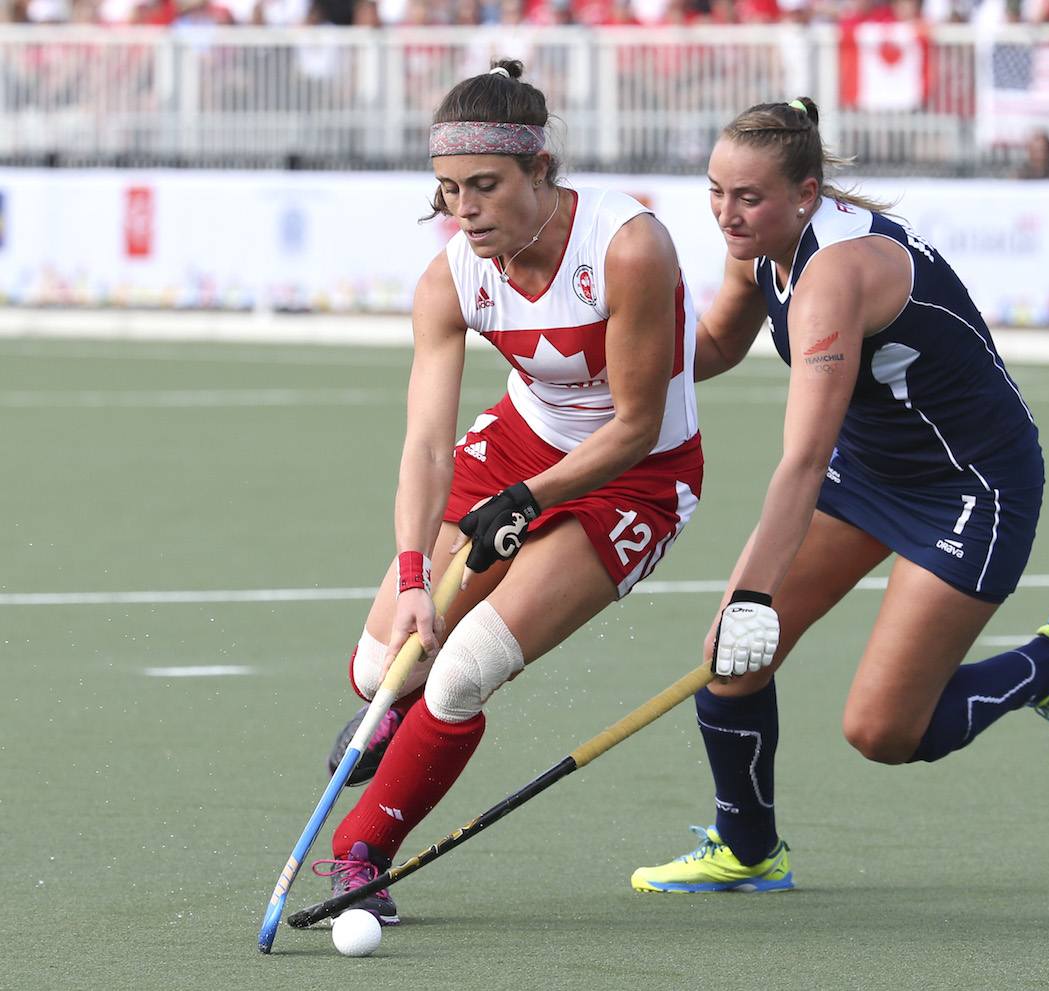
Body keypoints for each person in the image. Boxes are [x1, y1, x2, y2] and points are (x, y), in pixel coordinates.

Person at [629, 98, 1049, 893]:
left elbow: (803, 458)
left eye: (748, 197)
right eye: (715, 191)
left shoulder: (834, 275)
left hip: (970, 487)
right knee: (730, 661)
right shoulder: (758, 248)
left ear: (806, 194)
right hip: (874, 467)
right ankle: (748, 851)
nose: (727, 213)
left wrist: (752, 595)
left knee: (883, 731)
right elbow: (711, 343)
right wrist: (600, 364)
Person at [309, 58, 703, 924]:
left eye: (485, 186)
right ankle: (396, 710)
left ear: (540, 169)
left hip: (637, 475)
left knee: (461, 671)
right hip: (518, 445)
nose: (465, 210)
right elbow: (426, 443)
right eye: (449, 190)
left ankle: (361, 853)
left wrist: (525, 503)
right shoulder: (450, 277)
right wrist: (414, 575)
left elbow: (637, 426)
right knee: (381, 666)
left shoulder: (627, 246)